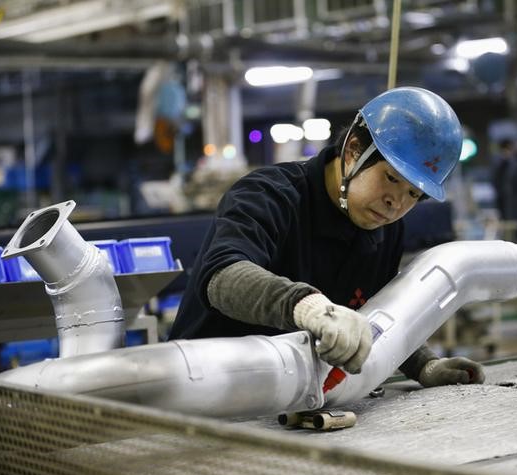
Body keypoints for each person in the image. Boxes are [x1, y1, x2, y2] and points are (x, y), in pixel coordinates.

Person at [169, 87, 485, 390]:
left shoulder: (384, 229)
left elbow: (378, 312)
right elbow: (222, 277)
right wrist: (308, 307)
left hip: (283, 400)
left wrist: (424, 365)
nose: (396, 204)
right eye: (391, 178)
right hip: (204, 389)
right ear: (353, 152)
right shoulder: (268, 195)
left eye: (413, 194)